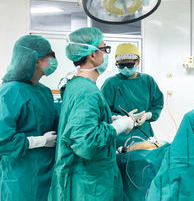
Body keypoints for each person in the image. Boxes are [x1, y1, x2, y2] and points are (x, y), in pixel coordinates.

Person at [48, 27, 134, 201]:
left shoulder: (75, 84)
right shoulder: (86, 91)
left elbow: (81, 124)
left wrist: (109, 120)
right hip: (89, 185)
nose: (106, 54)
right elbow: (85, 142)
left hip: (85, 180)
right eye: (104, 49)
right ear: (93, 55)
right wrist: (118, 126)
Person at [0, 35, 59, 201]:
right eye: (50, 56)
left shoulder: (45, 92)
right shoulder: (10, 92)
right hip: (20, 177)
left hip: (47, 173)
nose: (54, 60)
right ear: (37, 60)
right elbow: (2, 139)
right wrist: (40, 141)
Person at [101, 43, 164, 147]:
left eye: (129, 64)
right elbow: (103, 111)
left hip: (144, 134)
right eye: (121, 65)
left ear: (137, 61)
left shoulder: (148, 81)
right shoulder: (111, 83)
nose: (125, 68)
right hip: (120, 135)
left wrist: (148, 115)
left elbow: (157, 104)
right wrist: (120, 118)